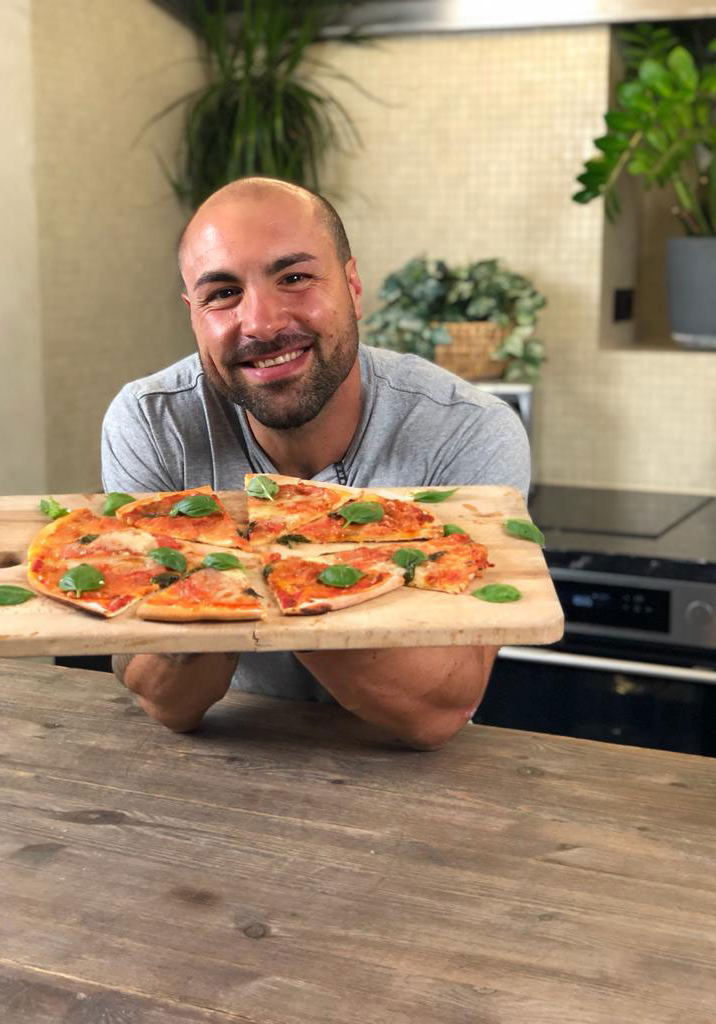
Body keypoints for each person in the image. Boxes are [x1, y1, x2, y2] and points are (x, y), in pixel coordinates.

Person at [102, 177, 530, 749]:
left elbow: (434, 713)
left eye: (295, 278)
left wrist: (269, 559)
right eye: (223, 293)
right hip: (224, 763)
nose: (260, 322)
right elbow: (164, 700)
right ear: (193, 313)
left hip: (413, 783)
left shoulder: (467, 429)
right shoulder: (153, 422)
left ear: (353, 286)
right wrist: (264, 563)